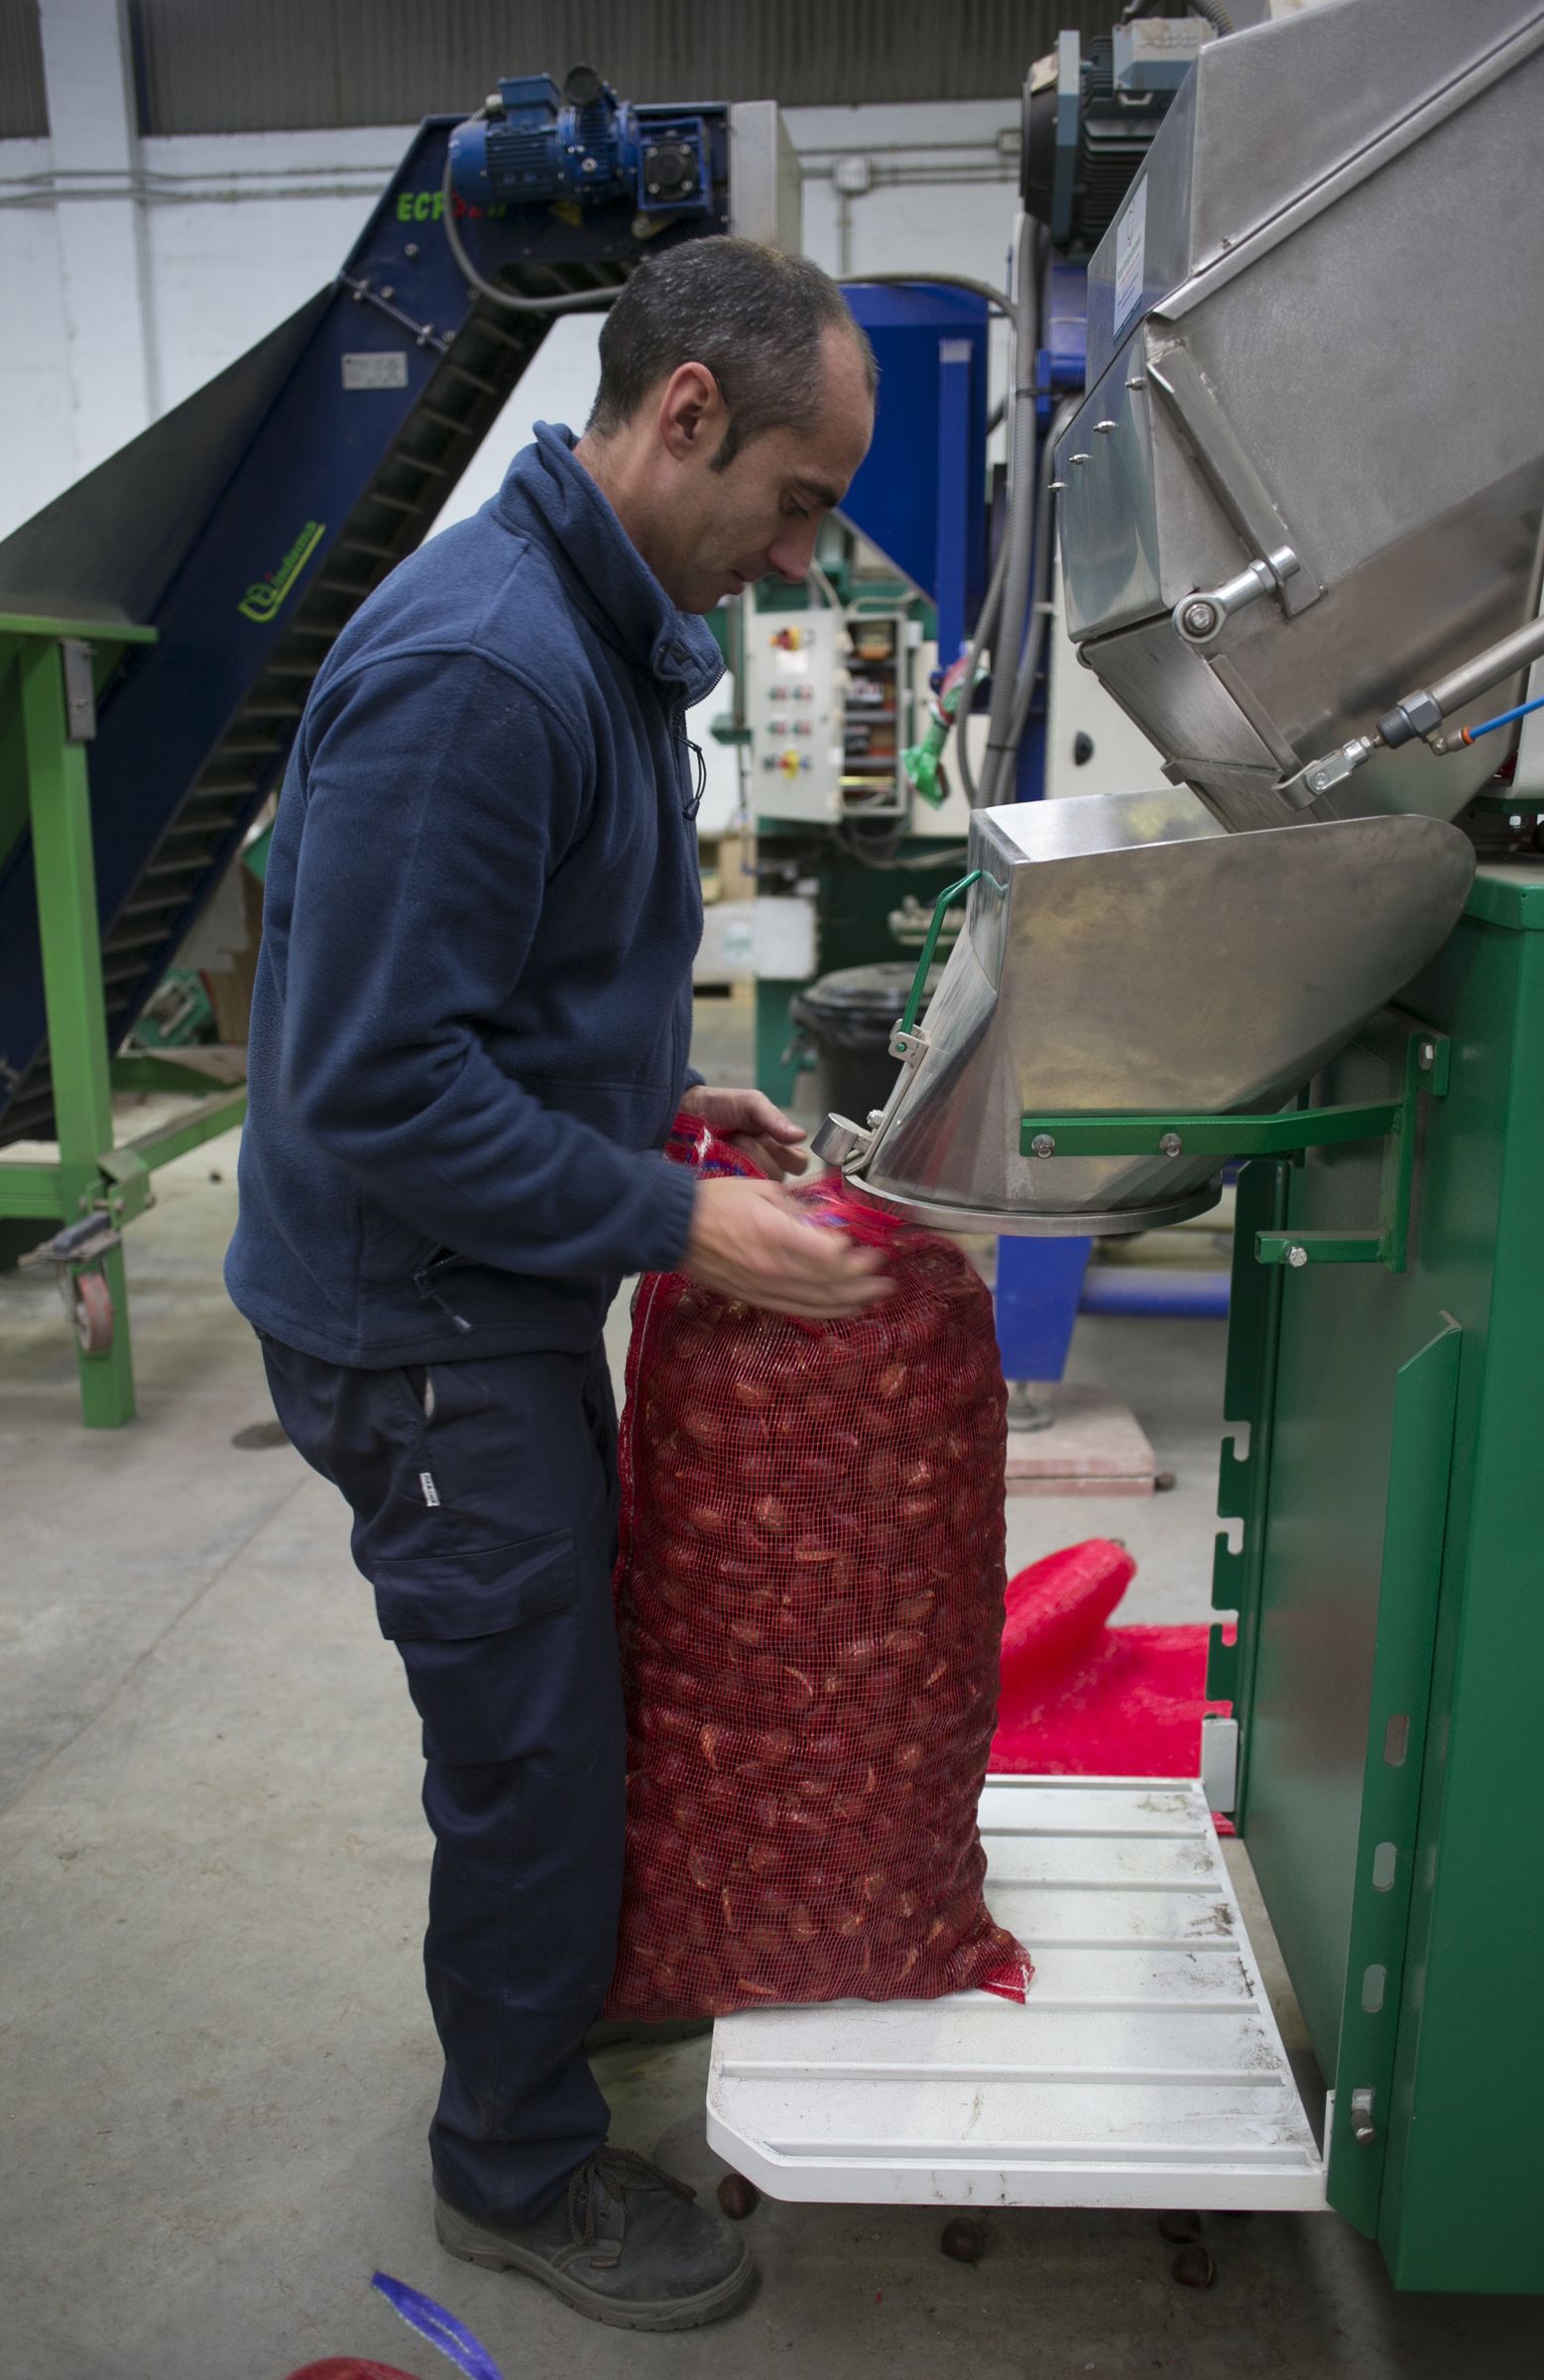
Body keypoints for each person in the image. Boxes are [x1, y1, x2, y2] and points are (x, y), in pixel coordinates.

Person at [225, 237, 883, 2331]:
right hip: (413, 1323)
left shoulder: (596, 640)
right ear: (684, 414)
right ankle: (511, 2162)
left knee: (571, 1694)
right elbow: (375, 1083)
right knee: (530, 1745)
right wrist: (677, 1226)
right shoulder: (483, 672)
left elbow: (496, 995)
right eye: (793, 499)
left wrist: (659, 1107)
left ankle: (555, 1998)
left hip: (485, 1287)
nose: (799, 558)